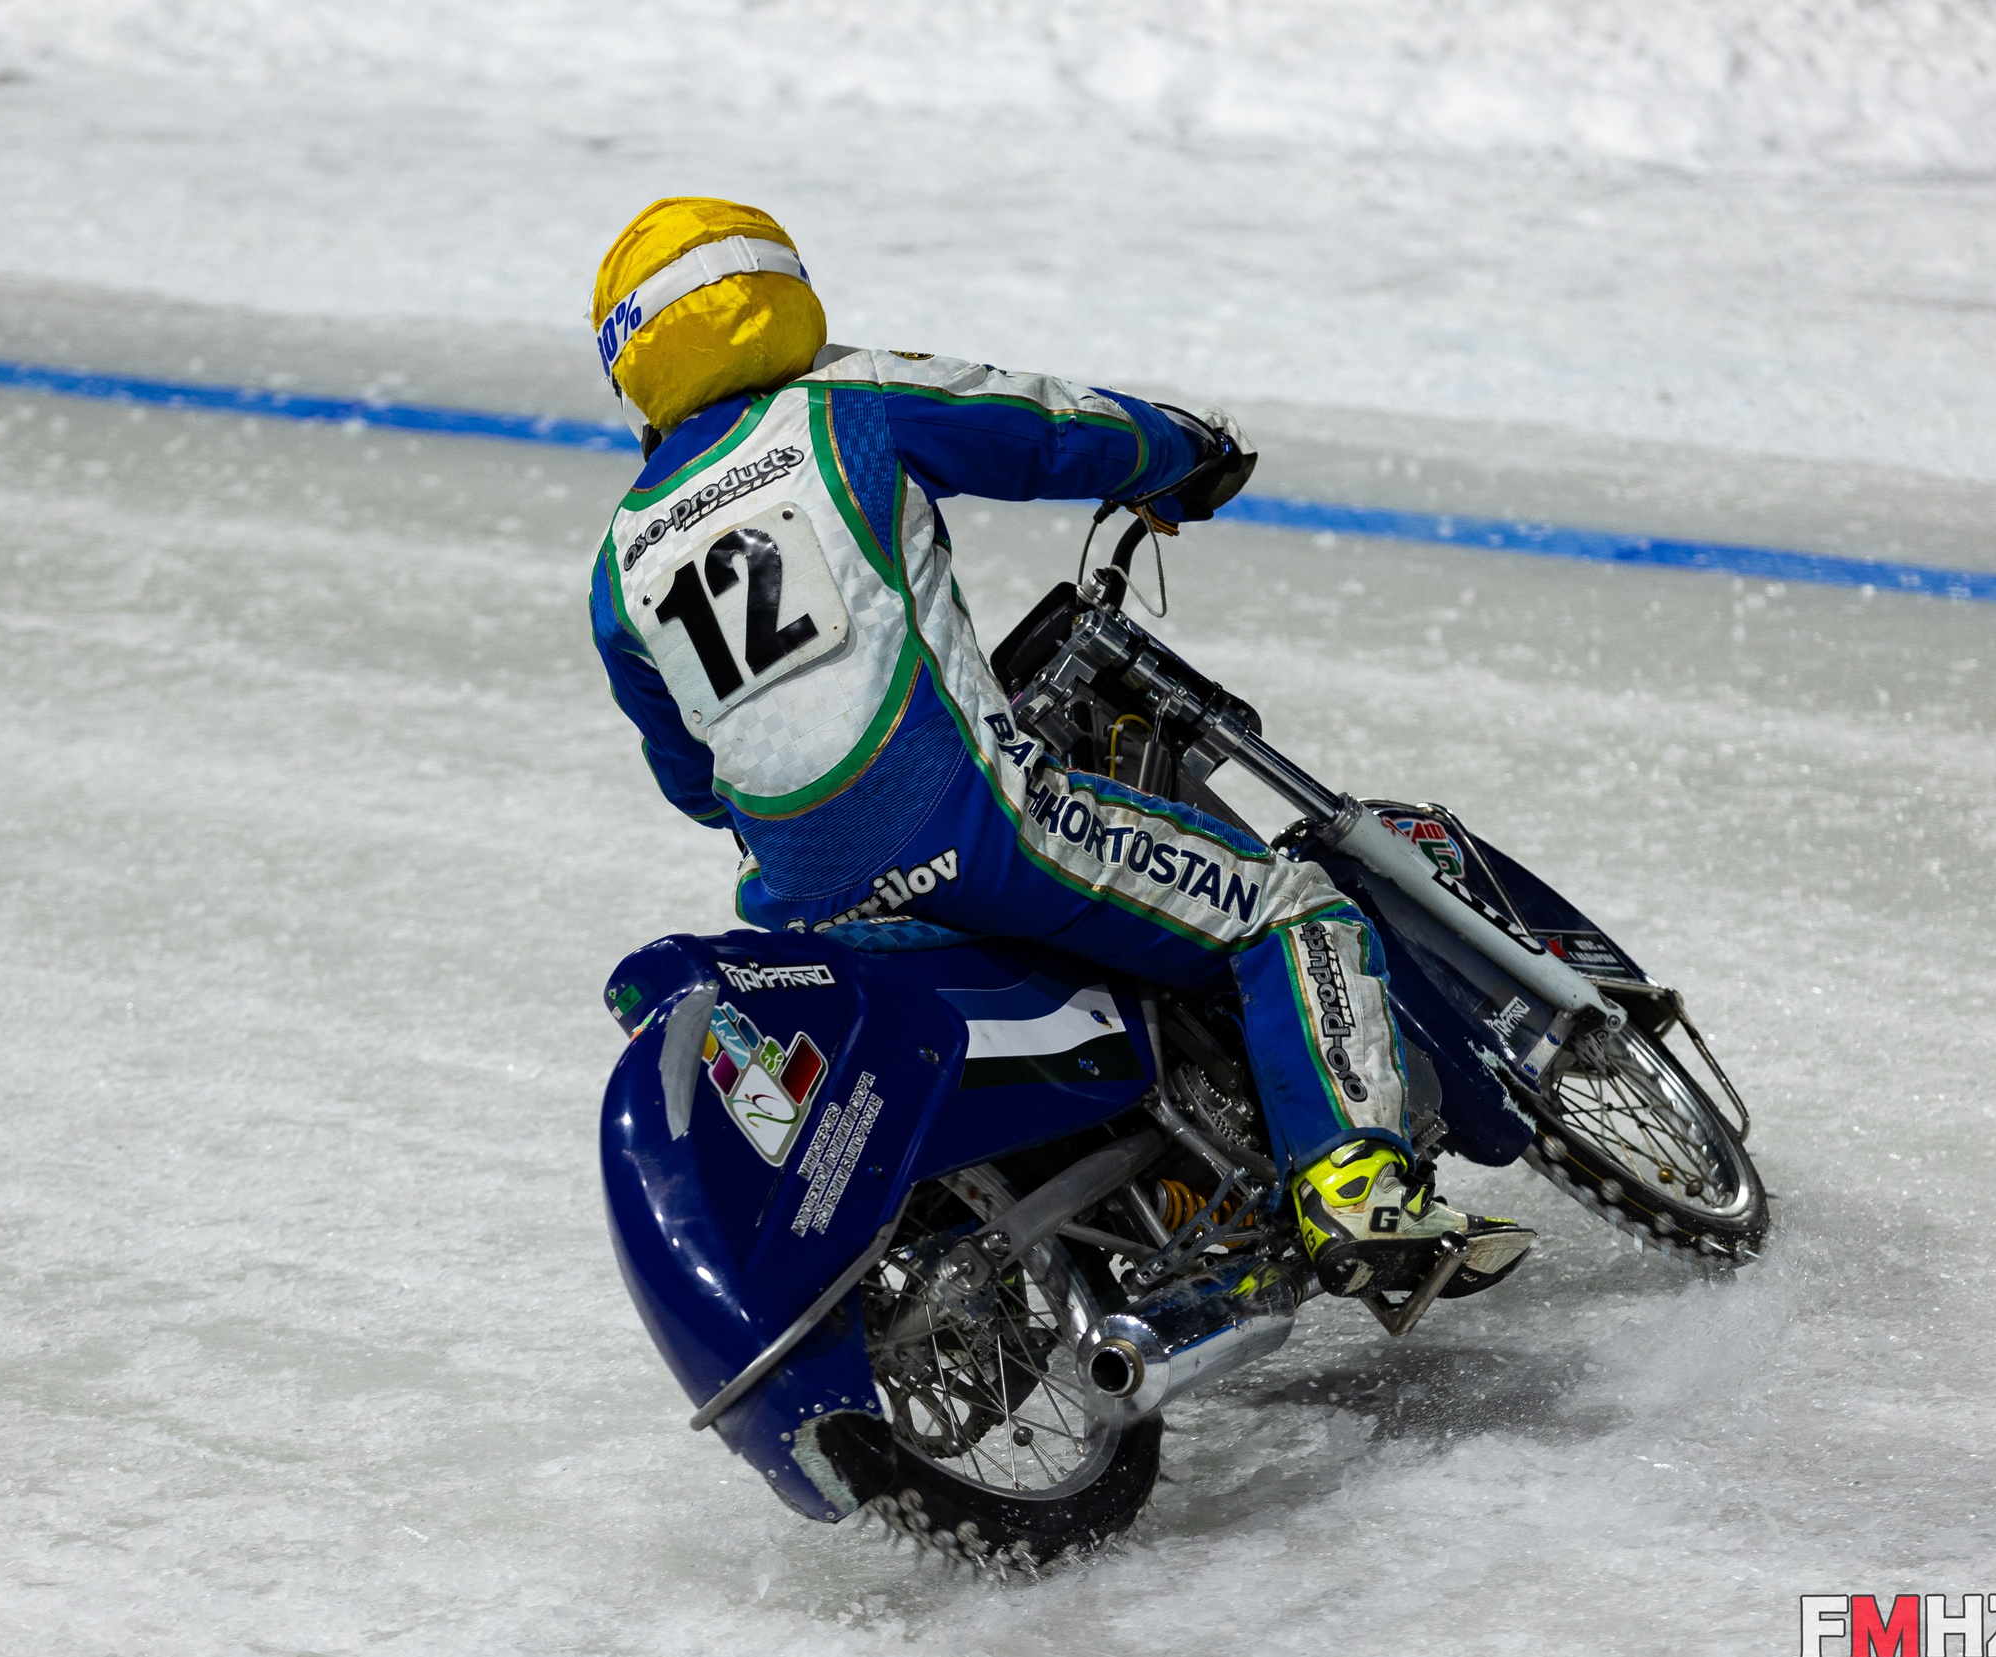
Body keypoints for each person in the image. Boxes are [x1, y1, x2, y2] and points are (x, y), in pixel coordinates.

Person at [586, 197, 1528, 1297]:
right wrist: (1184, 453)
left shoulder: (621, 556)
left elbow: (693, 781)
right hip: (975, 825)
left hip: (807, 895)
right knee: (1285, 905)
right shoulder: (839, 405)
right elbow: (1039, 425)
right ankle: (1355, 1182)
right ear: (776, 292)